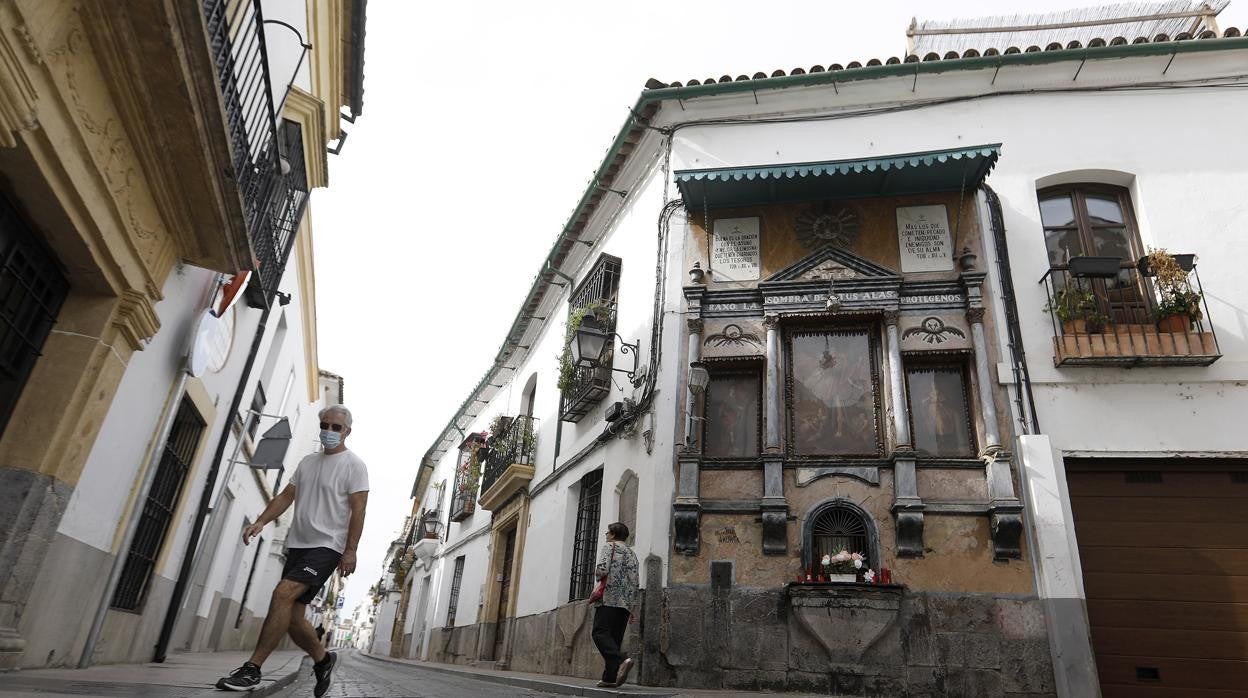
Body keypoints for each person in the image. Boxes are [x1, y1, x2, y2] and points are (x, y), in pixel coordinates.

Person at [217, 406, 368, 696]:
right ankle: (323, 660)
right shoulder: (308, 462)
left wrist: (351, 550)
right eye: (325, 425)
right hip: (298, 544)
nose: (329, 431)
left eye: (336, 427)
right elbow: (287, 496)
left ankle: (253, 669)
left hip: (327, 546)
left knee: (282, 593)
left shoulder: (354, 465)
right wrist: (261, 521)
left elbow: (359, 510)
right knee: (294, 619)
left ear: (347, 431)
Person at [590, 521, 640, 688]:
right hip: (625, 603)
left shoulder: (609, 547)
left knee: (599, 632)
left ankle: (621, 659)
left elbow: (602, 570)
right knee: (614, 638)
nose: (606, 535)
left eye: (607, 532)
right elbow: (635, 581)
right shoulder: (633, 554)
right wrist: (632, 605)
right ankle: (609, 678)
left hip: (609, 598)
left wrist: (598, 576)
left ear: (612, 535)